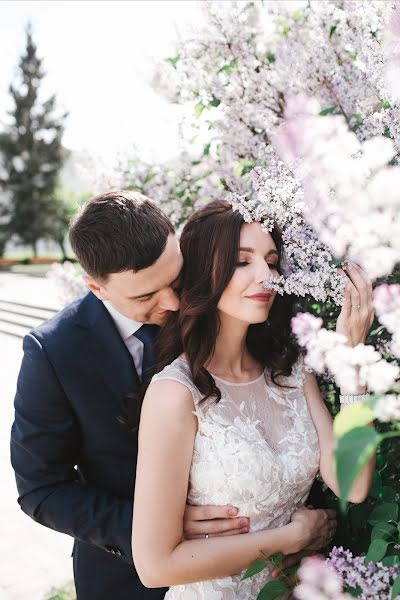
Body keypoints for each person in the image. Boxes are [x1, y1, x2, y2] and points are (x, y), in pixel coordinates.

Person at [11, 191, 278, 600]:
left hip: (252, 570)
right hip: (125, 580)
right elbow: (41, 490)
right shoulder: (53, 352)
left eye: (175, 279)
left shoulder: (211, 297)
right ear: (96, 288)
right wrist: (152, 527)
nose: (172, 303)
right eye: (145, 297)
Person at [132, 199, 375, 598]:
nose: (267, 276)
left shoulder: (292, 371)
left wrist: (352, 360)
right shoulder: (174, 394)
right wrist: (291, 538)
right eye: (242, 262)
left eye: (272, 261)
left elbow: (353, 486)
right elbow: (155, 566)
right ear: (201, 272)